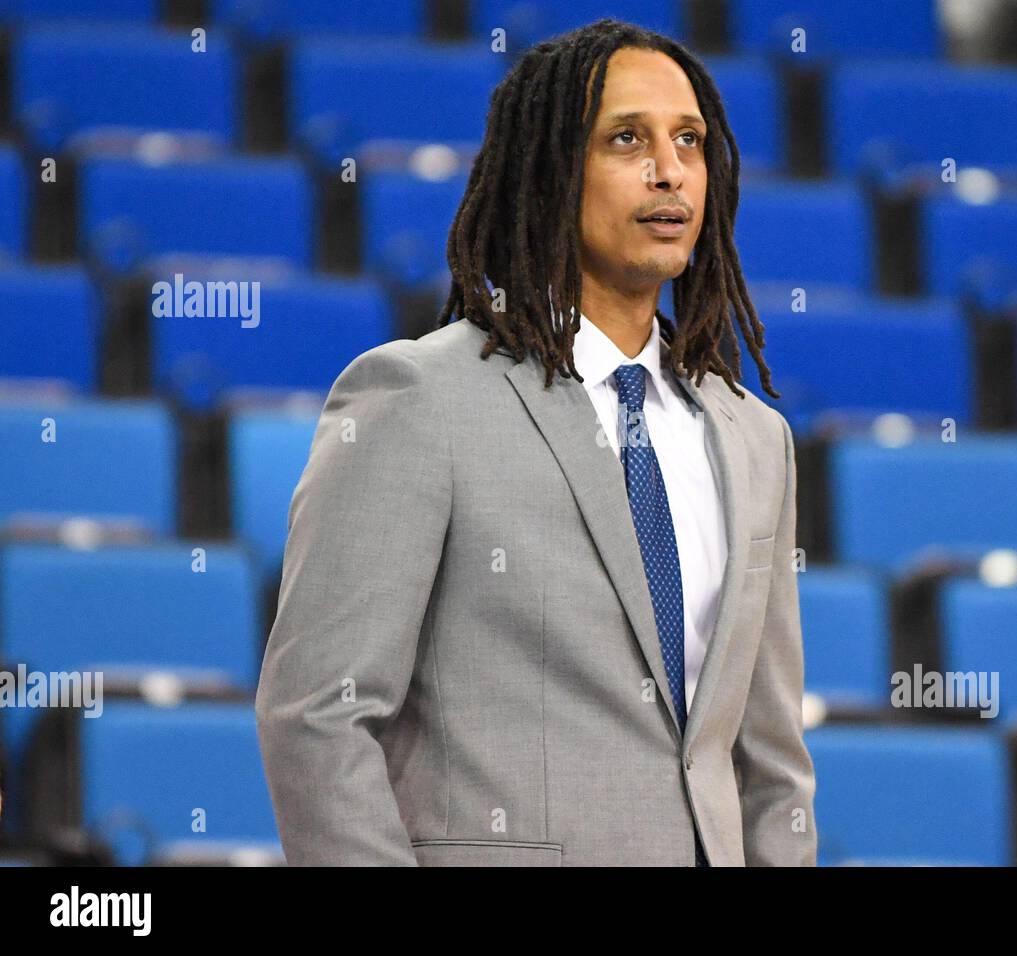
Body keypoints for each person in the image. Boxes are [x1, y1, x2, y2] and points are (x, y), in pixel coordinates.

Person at [255, 18, 816, 866]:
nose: (670, 170)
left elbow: (768, 760)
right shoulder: (418, 397)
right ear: (551, 172)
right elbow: (318, 715)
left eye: (690, 140)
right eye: (628, 138)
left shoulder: (756, 436)